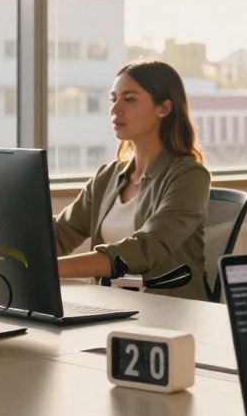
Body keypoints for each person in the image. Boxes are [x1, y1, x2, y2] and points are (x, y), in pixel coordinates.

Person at [53, 60, 211, 301]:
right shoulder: (106, 177)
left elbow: (144, 248)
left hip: (171, 311)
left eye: (129, 99)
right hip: (111, 306)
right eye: (113, 98)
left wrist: (52, 269)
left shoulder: (190, 176)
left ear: (164, 108)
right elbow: (60, 234)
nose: (115, 109)